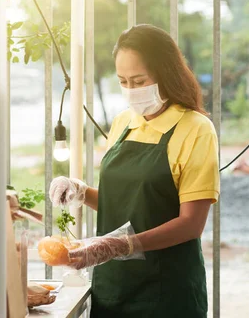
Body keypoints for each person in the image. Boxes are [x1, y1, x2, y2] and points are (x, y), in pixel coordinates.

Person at [50, 24, 220, 317]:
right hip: (113, 289)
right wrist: (81, 191)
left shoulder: (196, 129)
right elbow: (130, 202)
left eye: (139, 80)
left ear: (166, 74)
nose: (131, 90)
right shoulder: (123, 123)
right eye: (123, 81)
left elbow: (191, 223)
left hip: (167, 293)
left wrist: (122, 245)